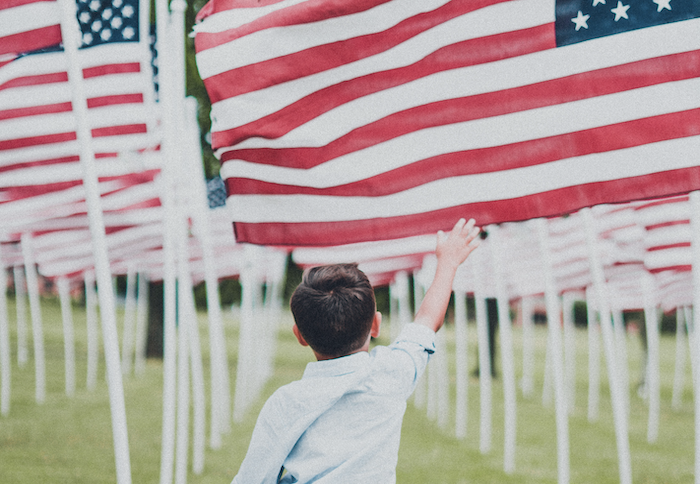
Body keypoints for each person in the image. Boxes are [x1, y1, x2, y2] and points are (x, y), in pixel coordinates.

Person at [230, 218, 481, 484]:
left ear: (300, 336)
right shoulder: (391, 374)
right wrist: (448, 263)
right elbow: (429, 320)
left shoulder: (286, 403)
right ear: (376, 325)